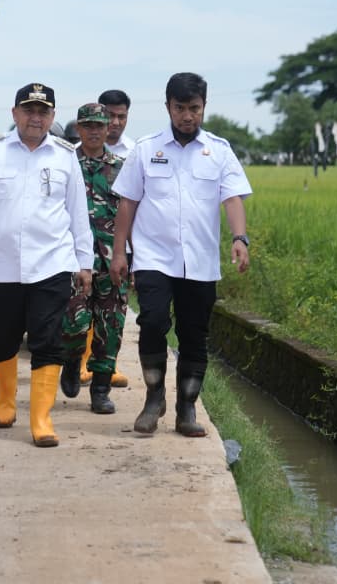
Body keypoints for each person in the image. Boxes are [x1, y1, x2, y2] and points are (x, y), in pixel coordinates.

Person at [110, 73, 251, 438]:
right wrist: (119, 251)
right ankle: (154, 397)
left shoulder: (219, 150)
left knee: (194, 334)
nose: (187, 116)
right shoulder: (146, 148)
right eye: (180, 108)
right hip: (154, 256)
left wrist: (240, 237)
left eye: (194, 108)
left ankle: (187, 408)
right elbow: (128, 201)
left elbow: (232, 196)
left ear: (204, 107)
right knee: (153, 322)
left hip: (200, 261)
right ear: (168, 107)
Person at [0, 83, 94, 448]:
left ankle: (41, 418)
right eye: (29, 110)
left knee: (47, 340)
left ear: (52, 116)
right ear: (15, 113)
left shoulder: (65, 156)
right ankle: (5, 398)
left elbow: (78, 213)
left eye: (43, 111)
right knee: (1, 340)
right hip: (0, 266)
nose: (36, 117)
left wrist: (85, 262)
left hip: (51, 264)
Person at [59, 103, 129, 414]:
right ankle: (72, 362)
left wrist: (130, 258)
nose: (94, 131)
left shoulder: (121, 168)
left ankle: (100, 389)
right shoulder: (64, 162)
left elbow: (134, 215)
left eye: (100, 125)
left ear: (108, 128)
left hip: (111, 260)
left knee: (109, 326)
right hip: (73, 260)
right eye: (87, 125)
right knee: (74, 324)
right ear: (79, 128)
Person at [99, 89, 136, 159]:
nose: (116, 122)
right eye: (111, 116)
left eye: (121, 117)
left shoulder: (135, 151)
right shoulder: (78, 151)